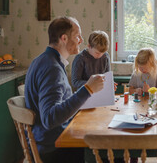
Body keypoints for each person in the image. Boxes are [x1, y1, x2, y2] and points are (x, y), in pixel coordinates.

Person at [25, 16, 105, 163]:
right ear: (64, 38)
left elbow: (58, 101)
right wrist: (87, 89)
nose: (81, 40)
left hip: (47, 140)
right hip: (54, 148)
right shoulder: (52, 69)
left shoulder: (43, 60)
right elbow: (49, 118)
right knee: (109, 149)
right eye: (77, 36)